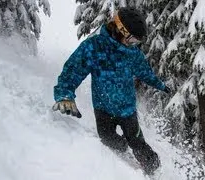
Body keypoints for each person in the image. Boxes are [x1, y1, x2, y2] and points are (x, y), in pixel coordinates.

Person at [52, 7, 170, 175]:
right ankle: (123, 167)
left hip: (127, 109)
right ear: (119, 30)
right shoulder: (94, 46)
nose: (134, 45)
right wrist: (65, 94)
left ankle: (157, 173)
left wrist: (160, 85)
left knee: (138, 144)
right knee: (110, 141)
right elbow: (72, 71)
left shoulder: (132, 52)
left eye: (137, 42)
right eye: (132, 41)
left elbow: (144, 71)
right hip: (103, 109)